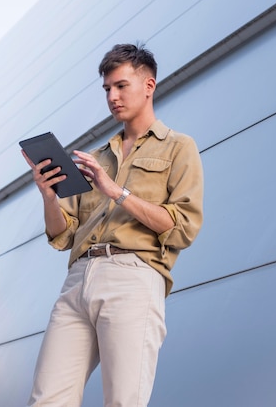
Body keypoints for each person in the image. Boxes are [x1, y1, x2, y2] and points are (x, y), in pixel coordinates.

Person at [22, 43, 203, 407]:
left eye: (121, 86)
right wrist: (47, 196)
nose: (113, 96)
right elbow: (63, 234)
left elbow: (181, 226)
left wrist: (115, 191)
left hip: (132, 275)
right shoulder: (97, 157)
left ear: (149, 86)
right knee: (46, 400)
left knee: (124, 401)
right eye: (107, 89)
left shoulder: (178, 148)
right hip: (77, 279)